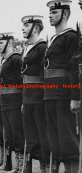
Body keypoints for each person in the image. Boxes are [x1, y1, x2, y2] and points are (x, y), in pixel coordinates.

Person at [44, 1, 80, 172]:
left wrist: (75, 97)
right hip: (50, 94)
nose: (50, 15)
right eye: (50, 12)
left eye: (54, 12)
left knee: (67, 138)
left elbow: (74, 68)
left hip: (64, 94)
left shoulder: (71, 36)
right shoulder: (52, 39)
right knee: (56, 138)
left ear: (65, 14)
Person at [21, 15, 50, 173]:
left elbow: (45, 74)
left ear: (36, 28)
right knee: (30, 135)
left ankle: (45, 167)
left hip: (39, 97)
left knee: (42, 135)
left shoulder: (42, 46)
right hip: (27, 97)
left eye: (27, 26)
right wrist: (22, 102)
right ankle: (32, 164)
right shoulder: (26, 48)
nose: (23, 29)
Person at [0, 32, 24, 172]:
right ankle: (15, 164)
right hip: (4, 101)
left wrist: (23, 101)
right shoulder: (3, 60)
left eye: (1, 43)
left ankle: (22, 165)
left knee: (17, 132)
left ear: (10, 43)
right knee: (9, 134)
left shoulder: (16, 58)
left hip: (15, 100)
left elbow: (22, 81)